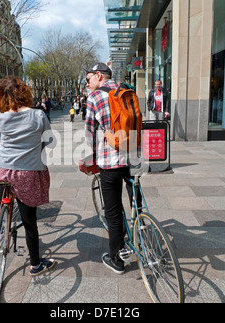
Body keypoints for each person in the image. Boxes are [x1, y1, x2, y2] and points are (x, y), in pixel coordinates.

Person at [0, 76, 56, 277]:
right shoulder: (38, 115)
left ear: (1, 96)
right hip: (27, 173)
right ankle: (35, 264)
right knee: (29, 222)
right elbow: (50, 141)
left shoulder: (0, 118)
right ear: (24, 93)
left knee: (7, 175)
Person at [85, 63, 141, 275]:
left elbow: (90, 133)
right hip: (135, 158)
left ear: (99, 75)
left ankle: (117, 258)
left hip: (111, 162)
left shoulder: (94, 98)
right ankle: (142, 232)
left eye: (89, 78)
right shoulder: (128, 91)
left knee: (114, 212)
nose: (88, 83)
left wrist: (89, 158)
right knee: (136, 202)